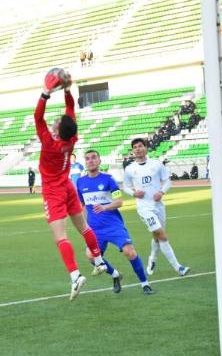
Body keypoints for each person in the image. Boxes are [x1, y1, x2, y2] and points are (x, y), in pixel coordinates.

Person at [35, 71, 107, 301]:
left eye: (56, 122)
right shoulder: (71, 138)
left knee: (60, 237)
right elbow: (70, 109)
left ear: (56, 130)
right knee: (84, 227)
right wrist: (66, 89)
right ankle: (98, 260)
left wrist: (46, 93)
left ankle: (75, 275)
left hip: (54, 191)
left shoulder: (49, 143)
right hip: (67, 187)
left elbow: (38, 117)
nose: (55, 121)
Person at [77, 150, 154, 295]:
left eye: (94, 158)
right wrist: (83, 225)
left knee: (129, 252)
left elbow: (119, 202)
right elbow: (81, 205)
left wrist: (104, 207)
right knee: (90, 256)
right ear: (85, 162)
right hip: (94, 229)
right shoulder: (80, 182)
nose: (90, 161)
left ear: (99, 161)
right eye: (87, 159)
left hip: (113, 225)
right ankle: (115, 275)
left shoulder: (108, 179)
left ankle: (145, 284)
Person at [123, 138, 190, 277]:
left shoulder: (156, 164)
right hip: (144, 208)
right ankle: (179, 268)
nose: (137, 149)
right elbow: (125, 186)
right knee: (162, 235)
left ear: (146, 148)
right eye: (135, 147)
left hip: (158, 206)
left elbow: (167, 181)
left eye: (140, 146)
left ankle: (152, 259)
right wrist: (134, 193)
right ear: (133, 150)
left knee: (157, 236)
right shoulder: (130, 169)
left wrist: (161, 192)